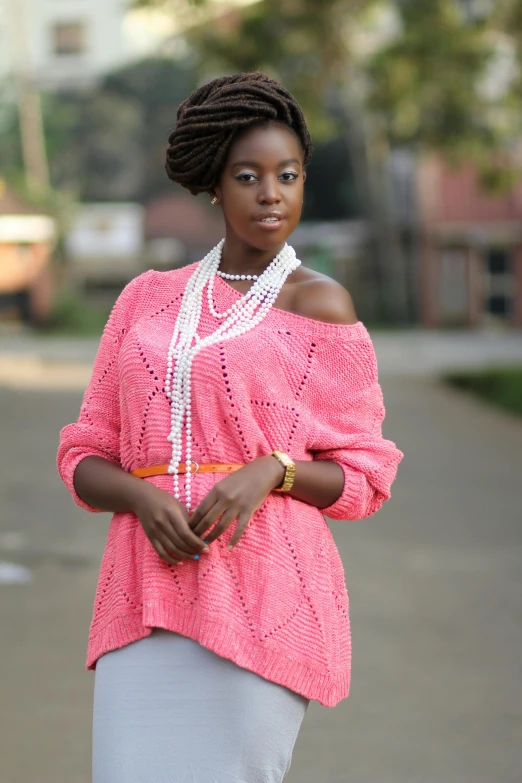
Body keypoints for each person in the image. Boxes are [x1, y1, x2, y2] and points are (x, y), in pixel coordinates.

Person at [57, 72, 403, 783]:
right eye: (248, 176)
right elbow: (86, 451)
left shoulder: (321, 305)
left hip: (264, 597)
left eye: (288, 175)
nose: (270, 193)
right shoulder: (147, 299)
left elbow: (366, 473)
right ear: (216, 185)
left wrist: (270, 470)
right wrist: (141, 496)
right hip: (142, 593)